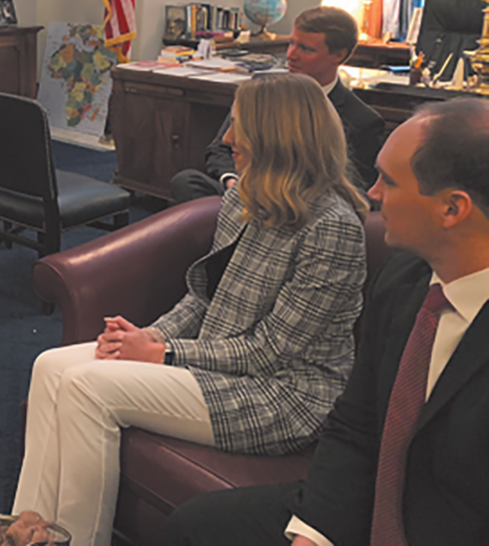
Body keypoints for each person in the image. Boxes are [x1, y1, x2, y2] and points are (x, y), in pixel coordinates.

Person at [12, 73, 368, 546]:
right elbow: (204, 296)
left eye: (239, 126)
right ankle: (26, 529)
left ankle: (75, 539)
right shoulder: (245, 193)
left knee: (86, 388)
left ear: (277, 135)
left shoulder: (333, 227)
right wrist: (146, 337)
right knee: (50, 365)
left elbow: (272, 352)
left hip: (284, 396)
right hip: (214, 363)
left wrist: (164, 354)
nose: (225, 139)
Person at [167, 98, 489, 546]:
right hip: (367, 504)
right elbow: (355, 426)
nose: (372, 194)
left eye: (388, 181)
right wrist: (315, 533)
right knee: (194, 526)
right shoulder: (403, 280)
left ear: (452, 208)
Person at [169, 6, 384, 202]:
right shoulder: (260, 91)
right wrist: (233, 181)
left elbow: (354, 193)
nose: (291, 55)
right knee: (186, 181)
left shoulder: (362, 121)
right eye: (291, 43)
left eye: (305, 49)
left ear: (339, 55)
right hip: (241, 190)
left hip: (300, 205)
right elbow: (219, 150)